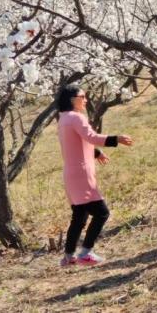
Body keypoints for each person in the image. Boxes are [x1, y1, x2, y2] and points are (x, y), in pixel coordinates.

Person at [56, 84, 133, 266]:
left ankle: (68, 256)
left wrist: (96, 153)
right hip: (82, 175)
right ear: (73, 99)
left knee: (79, 216)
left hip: (71, 174)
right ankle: (86, 252)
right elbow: (91, 136)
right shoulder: (76, 117)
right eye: (82, 96)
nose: (85, 100)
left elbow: (77, 143)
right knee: (102, 213)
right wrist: (116, 139)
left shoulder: (63, 119)